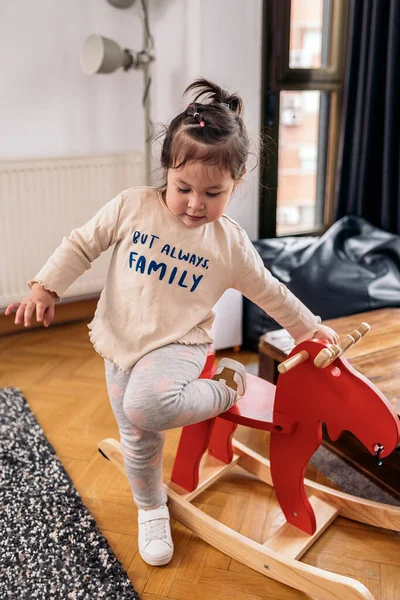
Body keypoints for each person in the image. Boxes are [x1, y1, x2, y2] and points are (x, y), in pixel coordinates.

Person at [5, 78, 339, 567]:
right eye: (183, 188)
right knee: (138, 438)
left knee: (145, 406)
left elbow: (270, 291)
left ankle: (230, 384)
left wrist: (309, 328)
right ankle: (150, 508)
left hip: (180, 343)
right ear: (168, 170)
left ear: (236, 185)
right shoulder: (132, 206)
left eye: (213, 193)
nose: (195, 204)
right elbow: (81, 243)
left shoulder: (229, 245)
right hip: (121, 337)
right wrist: (46, 286)